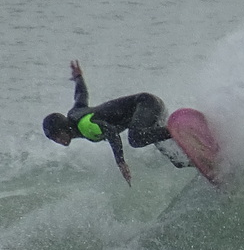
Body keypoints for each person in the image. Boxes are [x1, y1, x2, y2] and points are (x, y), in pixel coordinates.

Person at [42, 60, 189, 184]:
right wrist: (78, 77)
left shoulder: (85, 126)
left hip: (145, 104)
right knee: (178, 161)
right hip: (148, 109)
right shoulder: (75, 113)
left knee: (136, 138)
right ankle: (196, 159)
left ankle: (182, 129)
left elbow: (111, 132)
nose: (58, 140)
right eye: (54, 139)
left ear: (63, 127)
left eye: (58, 135)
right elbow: (81, 94)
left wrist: (120, 162)